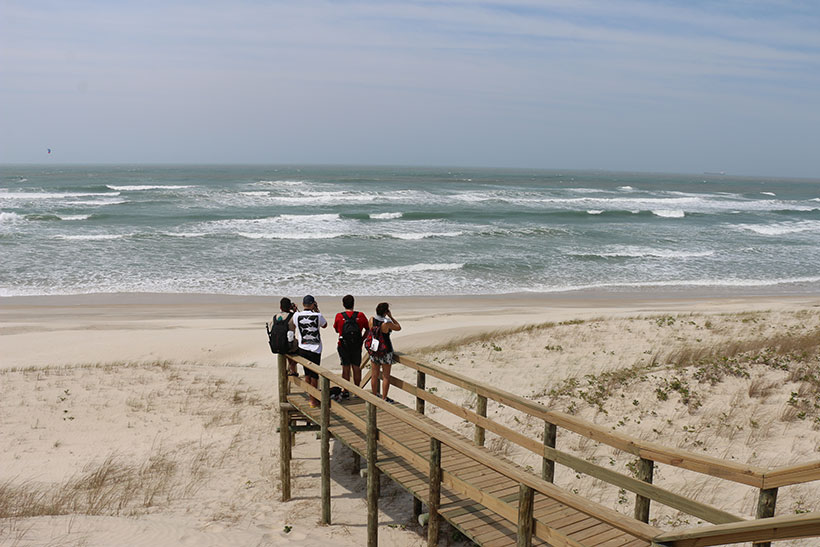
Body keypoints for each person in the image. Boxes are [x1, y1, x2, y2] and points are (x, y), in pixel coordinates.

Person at [292, 295, 328, 408]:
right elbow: (325, 325)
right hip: (315, 349)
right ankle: (313, 400)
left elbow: (295, 322)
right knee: (314, 376)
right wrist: (317, 310)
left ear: (303, 304)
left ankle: (310, 396)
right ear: (313, 304)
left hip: (303, 348)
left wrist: (295, 311)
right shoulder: (318, 315)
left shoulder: (296, 315)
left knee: (307, 373)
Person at [333, 294, 369, 399]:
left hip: (343, 345)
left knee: (345, 367)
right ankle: (357, 390)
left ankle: (345, 390)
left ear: (343, 304)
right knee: (356, 367)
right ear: (353, 303)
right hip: (357, 345)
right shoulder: (360, 315)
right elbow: (367, 329)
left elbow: (336, 330)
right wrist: (362, 339)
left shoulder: (339, 316)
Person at [369, 302, 401, 403]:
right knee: (386, 376)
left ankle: (374, 395)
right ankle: (384, 398)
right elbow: (398, 327)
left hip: (374, 350)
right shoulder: (386, 323)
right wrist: (391, 316)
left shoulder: (371, 320)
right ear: (385, 312)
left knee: (374, 374)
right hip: (385, 350)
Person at [272, 297, 299, 376]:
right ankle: (292, 366)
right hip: (289, 346)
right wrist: (295, 311)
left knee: (288, 347)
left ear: (280, 307)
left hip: (276, 344)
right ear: (290, 307)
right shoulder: (293, 317)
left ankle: (292, 370)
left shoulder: (274, 317)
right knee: (302, 349)